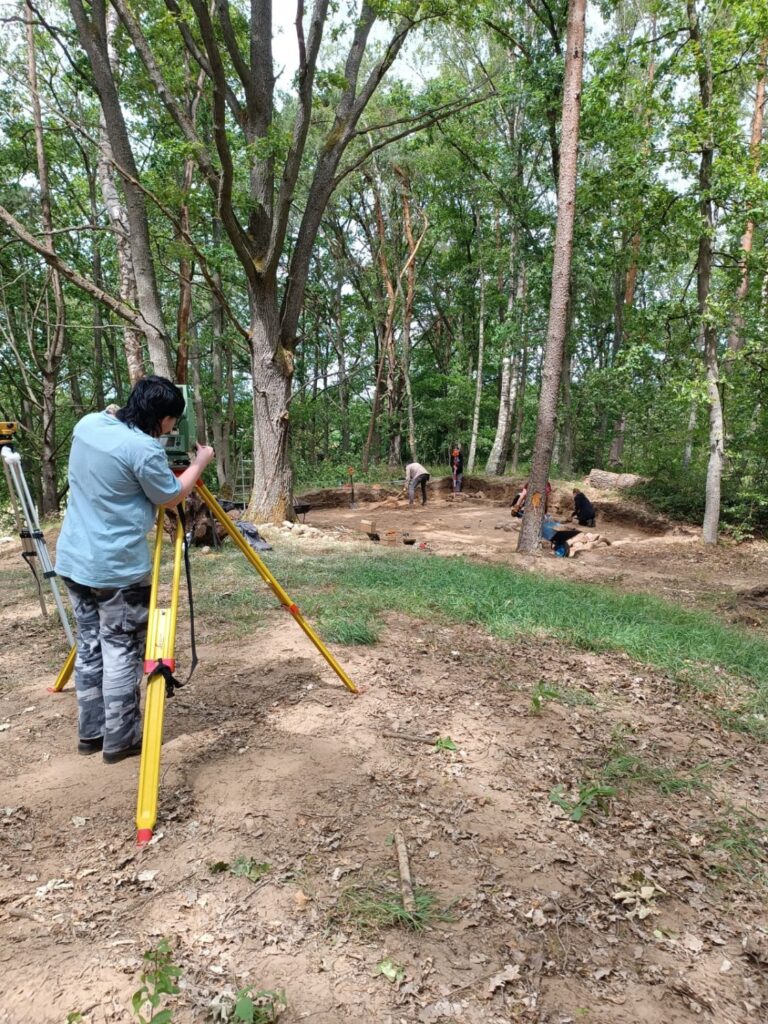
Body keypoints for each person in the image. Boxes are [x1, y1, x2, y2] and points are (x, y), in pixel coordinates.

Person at [55, 376, 214, 764]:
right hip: (116, 571)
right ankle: (121, 740)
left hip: (74, 560)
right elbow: (171, 496)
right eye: (172, 422)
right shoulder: (144, 450)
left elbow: (111, 413)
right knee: (121, 651)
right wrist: (199, 462)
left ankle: (91, 733)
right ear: (162, 420)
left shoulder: (89, 425)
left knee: (90, 647)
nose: (173, 429)